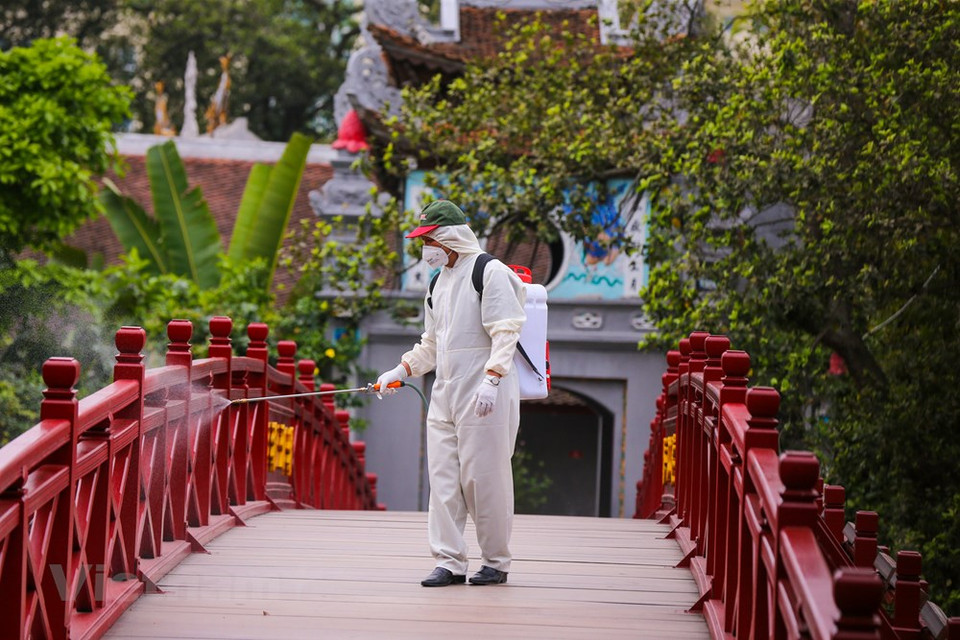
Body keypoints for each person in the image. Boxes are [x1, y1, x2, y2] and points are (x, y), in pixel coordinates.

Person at [376, 199, 527, 587]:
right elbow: (431, 344)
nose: (425, 249)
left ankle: (495, 561)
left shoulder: (489, 271)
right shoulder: (436, 282)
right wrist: (401, 369)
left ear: (449, 237)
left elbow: (506, 330)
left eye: (429, 241)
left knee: (484, 477)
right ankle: (449, 561)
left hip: (484, 390)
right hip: (445, 389)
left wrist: (492, 380)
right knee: (443, 478)